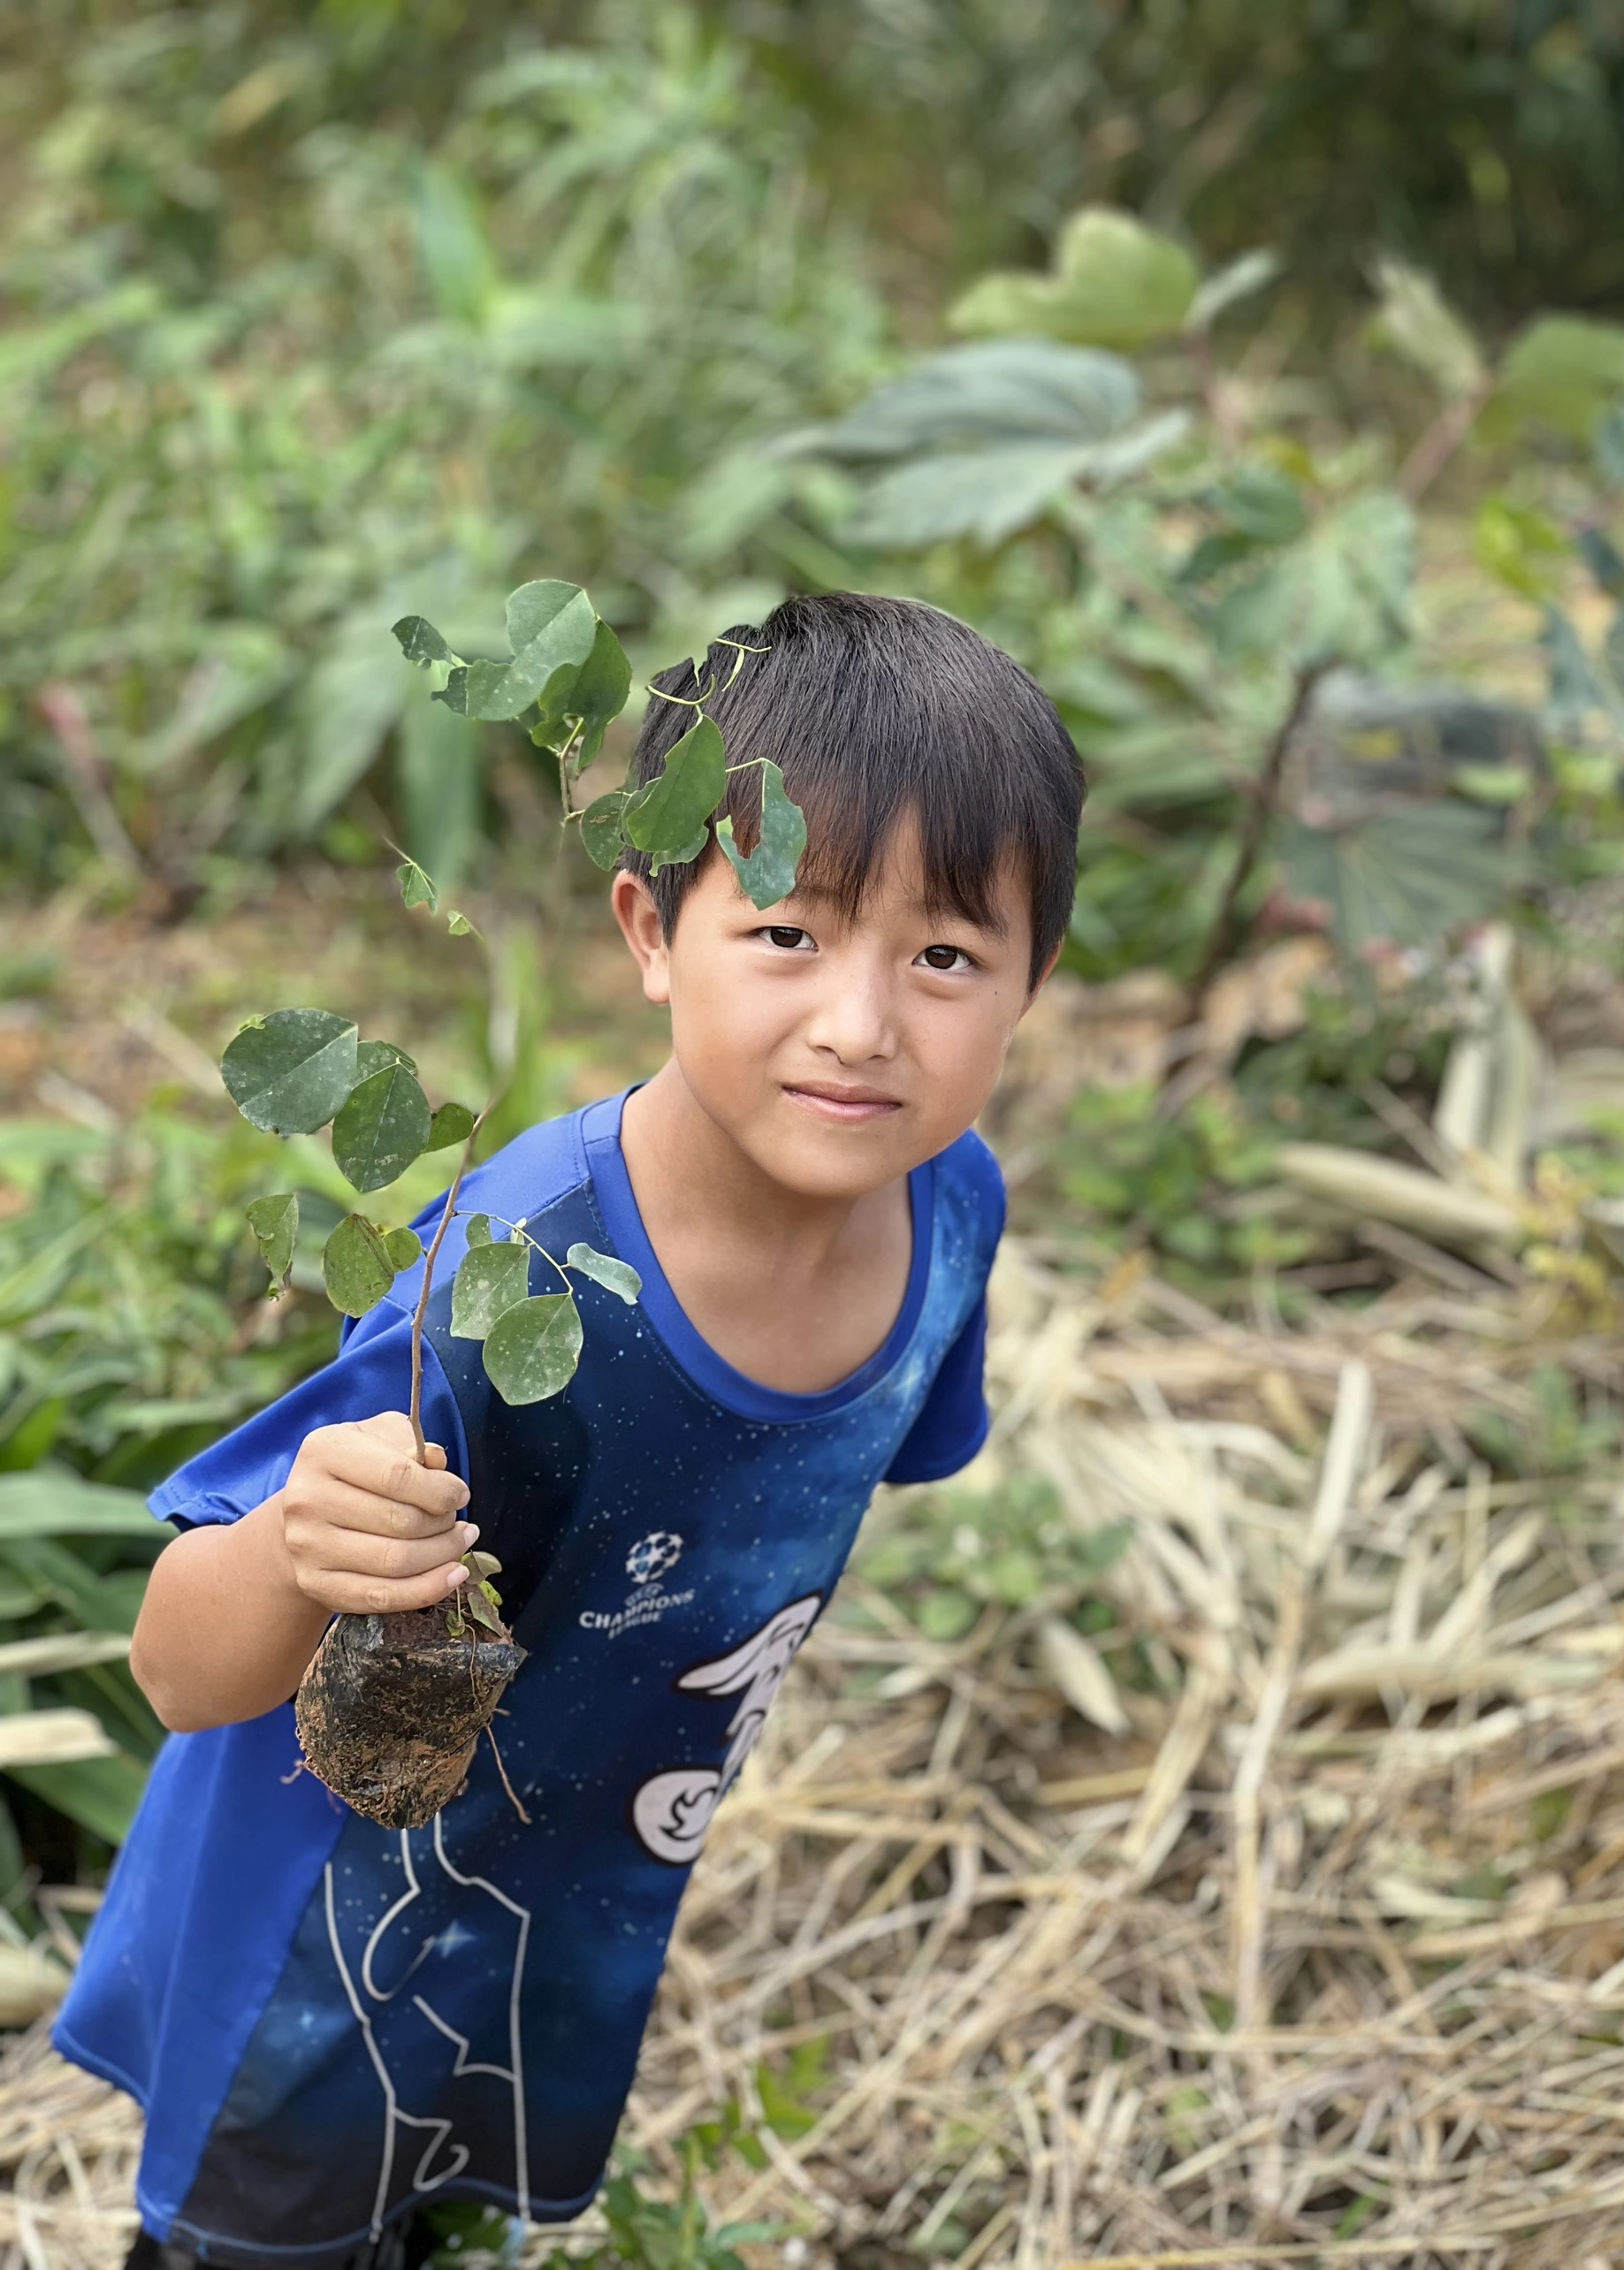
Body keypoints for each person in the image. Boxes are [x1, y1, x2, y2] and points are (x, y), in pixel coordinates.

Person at [54, 592, 1085, 2270]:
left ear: (1034, 979)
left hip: (560, 1917)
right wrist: (304, 1542)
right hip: (320, 1947)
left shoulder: (948, 1208)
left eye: (947, 954)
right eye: (787, 935)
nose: (862, 1024)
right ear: (648, 928)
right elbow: (180, 1673)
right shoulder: (518, 1282)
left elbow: (876, 1453)